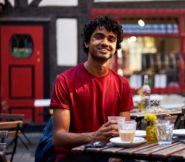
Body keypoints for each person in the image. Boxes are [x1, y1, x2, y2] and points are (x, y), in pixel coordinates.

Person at [51, 15, 134, 162]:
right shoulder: (65, 80)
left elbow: (123, 132)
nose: (105, 42)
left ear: (115, 48)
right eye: (99, 37)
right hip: (75, 155)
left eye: (111, 39)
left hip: (109, 153)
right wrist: (94, 136)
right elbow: (58, 138)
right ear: (87, 42)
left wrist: (116, 156)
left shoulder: (122, 84)